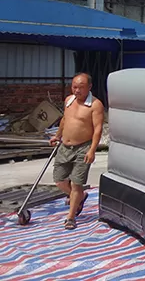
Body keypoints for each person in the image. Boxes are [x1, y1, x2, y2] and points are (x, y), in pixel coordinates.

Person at [49, 73, 104, 230]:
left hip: (83, 148)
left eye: (81, 87)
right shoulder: (69, 100)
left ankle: (71, 217)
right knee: (59, 180)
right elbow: (65, 120)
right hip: (65, 147)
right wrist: (57, 136)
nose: (77, 90)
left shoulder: (95, 105)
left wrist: (92, 150)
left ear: (89, 87)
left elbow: (98, 129)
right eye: (74, 87)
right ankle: (80, 197)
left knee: (76, 184)